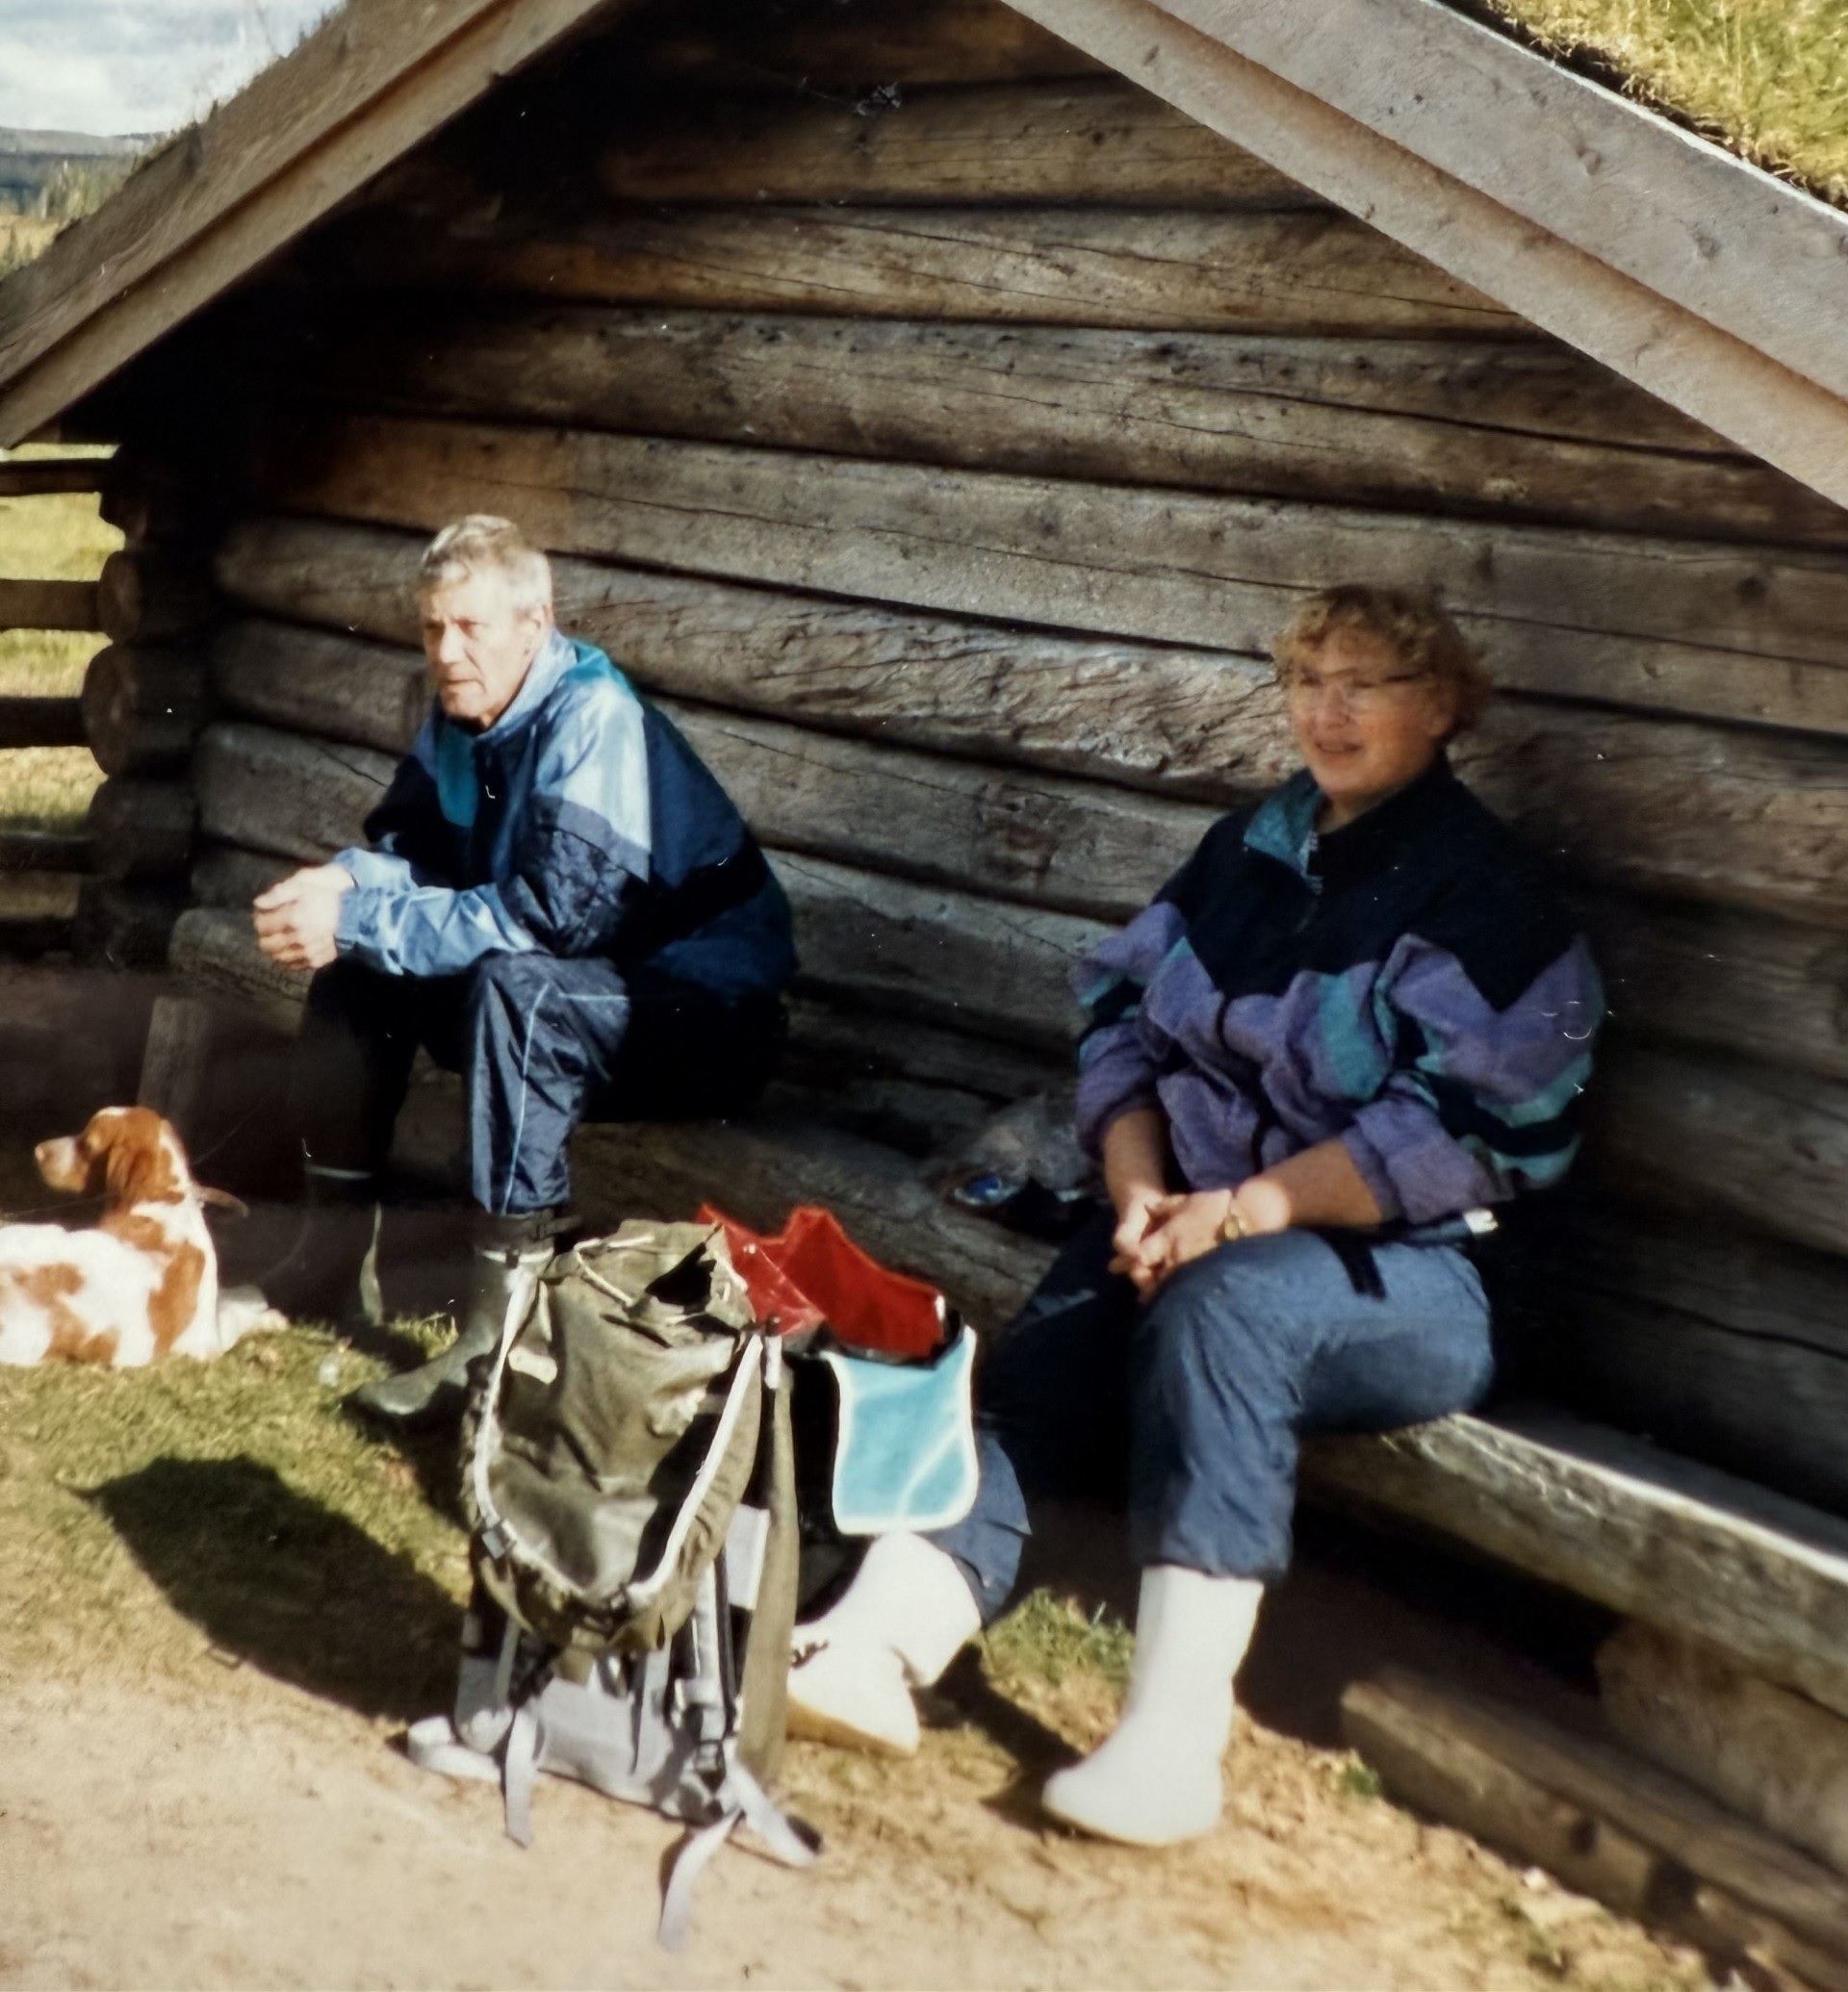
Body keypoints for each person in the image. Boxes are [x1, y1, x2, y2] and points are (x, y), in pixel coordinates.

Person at [784, 585, 1603, 1846]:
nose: (1326, 710)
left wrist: (1241, 1214)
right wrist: (1138, 1184)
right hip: (1205, 1215)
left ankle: (1172, 1741)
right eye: (1306, 679)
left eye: (1365, 683)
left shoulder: (1488, 896)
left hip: (1418, 1273)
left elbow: (1475, 1129)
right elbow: (1120, 1013)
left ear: (1442, 708)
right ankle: (885, 1637)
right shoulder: (1253, 850)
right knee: (1064, 1334)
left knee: (1227, 1312)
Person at [253, 515, 796, 1422]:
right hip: (591, 994)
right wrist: (340, 885)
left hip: (707, 1015)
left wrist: (360, 916)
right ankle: (328, 1258)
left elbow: (553, 919)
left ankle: (499, 1338)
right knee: (357, 978)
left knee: (520, 990)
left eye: (471, 627)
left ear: (535, 622)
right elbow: (413, 854)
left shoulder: (594, 718)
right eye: (432, 628)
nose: (447, 651)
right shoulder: (468, 713)